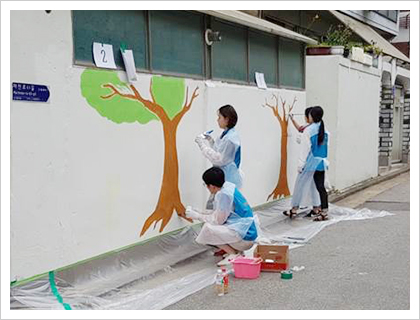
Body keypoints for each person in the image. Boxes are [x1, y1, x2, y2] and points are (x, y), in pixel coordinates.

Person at [186, 167, 258, 266]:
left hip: (245, 239)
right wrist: (199, 212)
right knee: (211, 226)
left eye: (206, 185)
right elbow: (219, 212)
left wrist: (197, 216)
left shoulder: (224, 195)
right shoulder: (228, 187)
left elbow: (217, 221)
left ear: (212, 186)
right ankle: (236, 252)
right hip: (247, 233)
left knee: (208, 229)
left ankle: (233, 254)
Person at [283, 106, 330, 221]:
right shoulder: (325, 130)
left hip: (310, 163)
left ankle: (293, 209)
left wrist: (300, 165)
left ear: (311, 116)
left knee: (300, 185)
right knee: (319, 187)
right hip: (321, 163)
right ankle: (323, 211)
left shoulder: (309, 130)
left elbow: (305, 149)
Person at [194, 105, 242, 190]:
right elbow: (219, 150)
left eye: (219, 117)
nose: (217, 120)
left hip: (228, 179)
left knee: (224, 201)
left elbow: (220, 159)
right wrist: (210, 140)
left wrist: (202, 145)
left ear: (226, 119)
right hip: (223, 177)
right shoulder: (226, 134)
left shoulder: (231, 139)